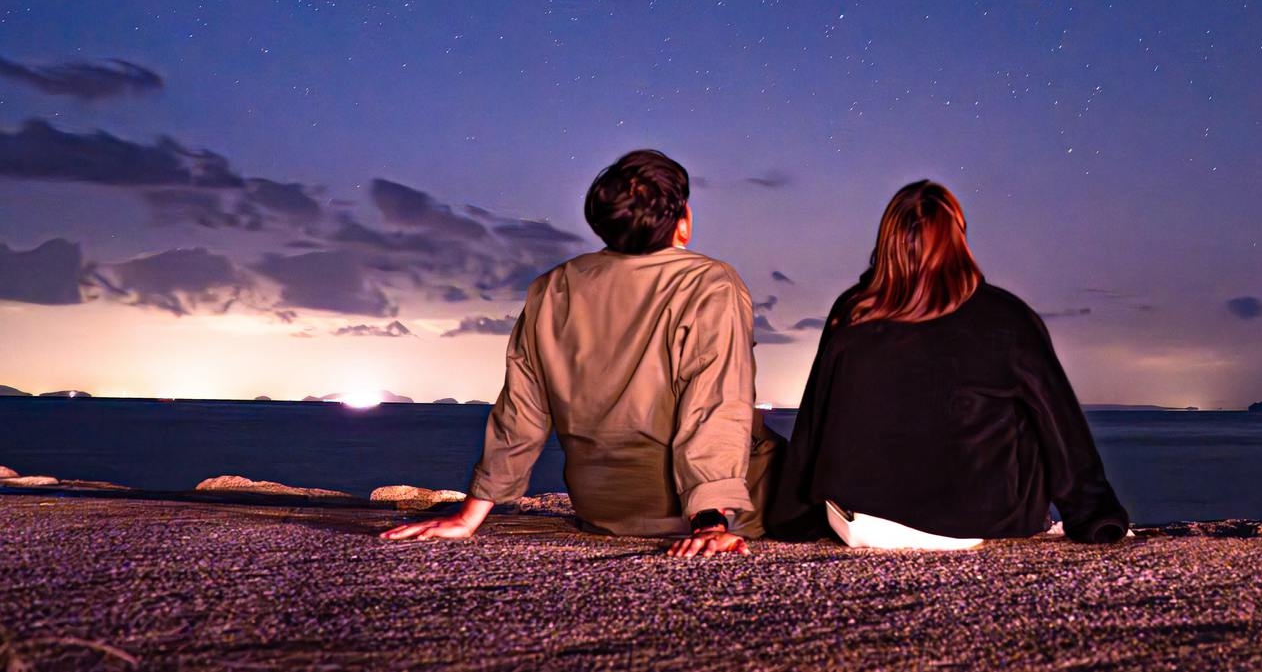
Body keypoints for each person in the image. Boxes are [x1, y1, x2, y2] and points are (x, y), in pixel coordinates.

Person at [382, 150, 777, 556]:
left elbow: (521, 410)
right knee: (804, 464)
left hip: (603, 507)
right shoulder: (710, 282)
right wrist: (710, 522)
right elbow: (715, 404)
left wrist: (470, 516)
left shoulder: (553, 287)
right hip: (687, 512)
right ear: (683, 224)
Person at [766, 180, 1129, 547]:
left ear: (888, 239)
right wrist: (1095, 515)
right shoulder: (1007, 318)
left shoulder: (853, 312)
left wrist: (793, 517)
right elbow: (1060, 427)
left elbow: (815, 418)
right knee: (1033, 405)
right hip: (977, 521)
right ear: (959, 238)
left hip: (861, 521)